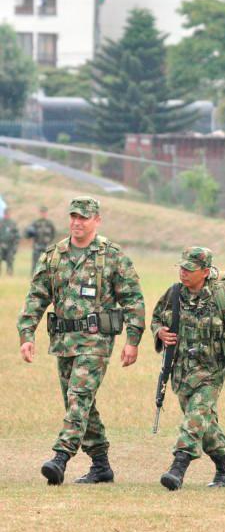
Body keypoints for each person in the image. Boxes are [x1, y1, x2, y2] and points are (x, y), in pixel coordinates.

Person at [17, 196, 145, 485]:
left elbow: (132, 299)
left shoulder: (111, 255)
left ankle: (61, 457)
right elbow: (36, 296)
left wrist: (132, 339)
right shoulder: (54, 255)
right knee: (78, 402)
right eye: (74, 216)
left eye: (84, 217)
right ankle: (101, 465)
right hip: (63, 340)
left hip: (96, 340)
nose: (77, 222)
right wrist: (27, 334)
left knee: (79, 396)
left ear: (96, 220)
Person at [152, 247, 225, 490]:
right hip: (182, 372)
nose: (183, 273)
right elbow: (156, 318)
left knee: (195, 416)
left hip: (212, 370)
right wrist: (159, 332)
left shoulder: (223, 297)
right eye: (181, 268)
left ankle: (178, 467)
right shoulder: (174, 293)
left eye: (189, 269)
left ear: (205, 271)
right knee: (203, 422)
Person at [26, 205, 57, 275]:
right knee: (35, 262)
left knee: (47, 262)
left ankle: (46, 276)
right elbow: (28, 235)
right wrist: (29, 233)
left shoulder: (50, 223)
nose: (43, 214)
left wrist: (50, 242)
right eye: (42, 212)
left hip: (46, 246)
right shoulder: (35, 223)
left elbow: (54, 234)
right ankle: (33, 276)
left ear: (46, 213)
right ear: (40, 213)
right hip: (37, 245)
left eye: (44, 212)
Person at [0, 208, 20, 275]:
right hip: (1, 245)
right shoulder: (1, 222)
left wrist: (15, 246)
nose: (7, 215)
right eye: (6, 214)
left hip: (10, 246)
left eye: (8, 214)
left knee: (10, 259)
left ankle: (9, 273)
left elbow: (17, 235)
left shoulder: (12, 223)